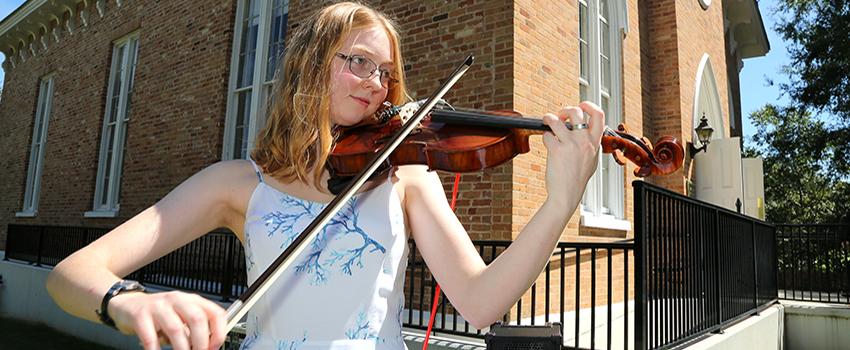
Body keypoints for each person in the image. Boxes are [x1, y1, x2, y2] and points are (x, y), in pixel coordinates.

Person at [45, 2, 604, 350]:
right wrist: (128, 300)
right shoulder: (238, 183)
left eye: (386, 72)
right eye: (356, 61)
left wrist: (559, 203)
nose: (376, 83)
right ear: (312, 66)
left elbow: (481, 304)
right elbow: (72, 274)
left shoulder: (403, 175)